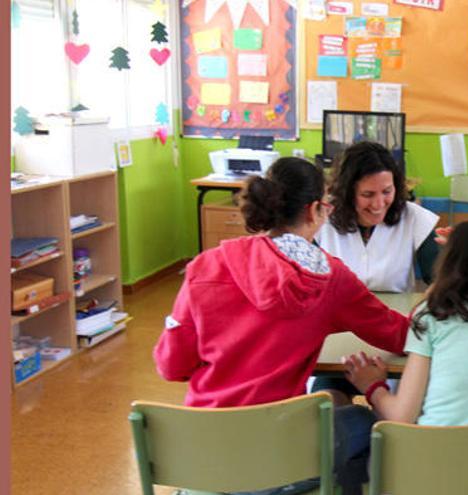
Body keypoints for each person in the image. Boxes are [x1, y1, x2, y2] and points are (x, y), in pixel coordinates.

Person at [153, 157, 409, 495]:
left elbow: (172, 366)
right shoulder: (329, 277)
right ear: (315, 209)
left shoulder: (206, 265)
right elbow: (400, 334)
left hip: (206, 461)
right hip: (279, 459)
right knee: (369, 423)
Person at [342, 221, 468, 428]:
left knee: (357, 417)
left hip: (430, 454)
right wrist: (465, 251)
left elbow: (400, 416)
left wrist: (373, 386)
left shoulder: (431, 316)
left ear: (447, 264)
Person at [316, 141, 440, 293]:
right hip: (334, 314)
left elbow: (440, 279)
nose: (378, 204)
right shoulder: (322, 218)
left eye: (387, 192)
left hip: (394, 313)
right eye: (367, 194)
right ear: (347, 193)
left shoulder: (414, 217)